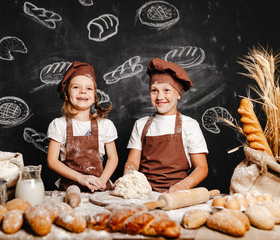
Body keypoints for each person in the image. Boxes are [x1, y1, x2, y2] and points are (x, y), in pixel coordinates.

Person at [123, 58, 208, 193]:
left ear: (178, 94)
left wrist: (182, 186)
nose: (159, 96)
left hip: (178, 194)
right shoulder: (141, 124)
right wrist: (128, 179)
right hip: (145, 193)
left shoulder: (190, 125)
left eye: (167, 90)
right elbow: (132, 163)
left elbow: (202, 168)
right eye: (154, 90)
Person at [47, 61, 118, 192]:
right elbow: (52, 161)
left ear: (95, 97)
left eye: (89, 88)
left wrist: (102, 181)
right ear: (67, 94)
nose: (83, 92)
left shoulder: (105, 125)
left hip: (100, 188)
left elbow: (113, 158)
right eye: (76, 87)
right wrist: (82, 178)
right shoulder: (59, 125)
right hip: (70, 188)